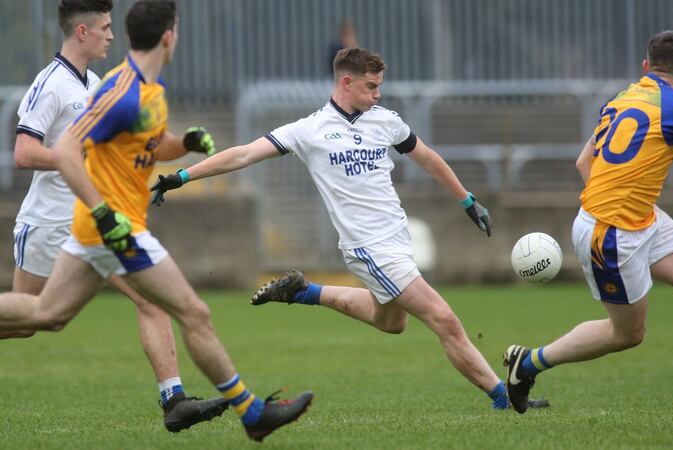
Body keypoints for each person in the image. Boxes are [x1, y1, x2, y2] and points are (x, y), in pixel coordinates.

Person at [151, 47, 548, 411]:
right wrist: (182, 175)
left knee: (391, 322)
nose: (377, 94)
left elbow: (427, 158)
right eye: (371, 86)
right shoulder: (309, 129)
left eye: (379, 86)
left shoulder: (386, 121)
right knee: (444, 319)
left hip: (397, 241)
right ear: (346, 82)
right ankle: (503, 396)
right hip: (368, 248)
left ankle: (304, 292)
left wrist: (466, 199)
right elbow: (243, 154)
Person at [0, 0, 312, 442]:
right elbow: (65, 151)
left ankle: (188, 401)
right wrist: (105, 211)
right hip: (109, 229)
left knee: (46, 315)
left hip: (98, 229)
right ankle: (251, 412)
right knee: (193, 311)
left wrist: (182, 143)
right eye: (178, 30)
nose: (107, 34)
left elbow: (149, 141)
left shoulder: (148, 89)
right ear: (168, 36)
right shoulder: (118, 91)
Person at [502, 30, 673, 427]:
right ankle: (527, 363)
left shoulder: (621, 98)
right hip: (612, 232)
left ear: (646, 68)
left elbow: (584, 164)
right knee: (627, 334)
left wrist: (618, 201)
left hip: (638, 217)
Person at [9, 0, 228, 433]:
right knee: (29, 323)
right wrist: (80, 154)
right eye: (106, 27)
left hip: (87, 221)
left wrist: (177, 144)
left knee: (148, 298)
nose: (113, 35)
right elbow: (24, 152)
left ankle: (175, 400)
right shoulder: (51, 83)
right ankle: (175, 399)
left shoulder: (98, 82)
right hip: (47, 222)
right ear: (83, 33)